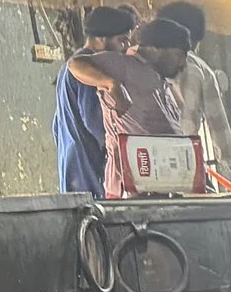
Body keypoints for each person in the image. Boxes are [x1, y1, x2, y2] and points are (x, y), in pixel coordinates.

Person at [65, 17, 189, 199]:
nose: (182, 64)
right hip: (131, 193)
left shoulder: (161, 81)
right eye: (179, 56)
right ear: (155, 49)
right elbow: (75, 65)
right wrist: (111, 84)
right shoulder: (123, 65)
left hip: (162, 189)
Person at [155, 0, 231, 186]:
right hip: (182, 162)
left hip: (144, 162)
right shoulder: (200, 71)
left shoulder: (134, 59)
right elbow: (219, 128)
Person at [53, 5, 133, 195]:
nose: (126, 48)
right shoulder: (91, 69)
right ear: (102, 39)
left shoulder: (68, 68)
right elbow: (96, 123)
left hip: (71, 164)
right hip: (88, 168)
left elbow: (56, 126)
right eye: (122, 41)